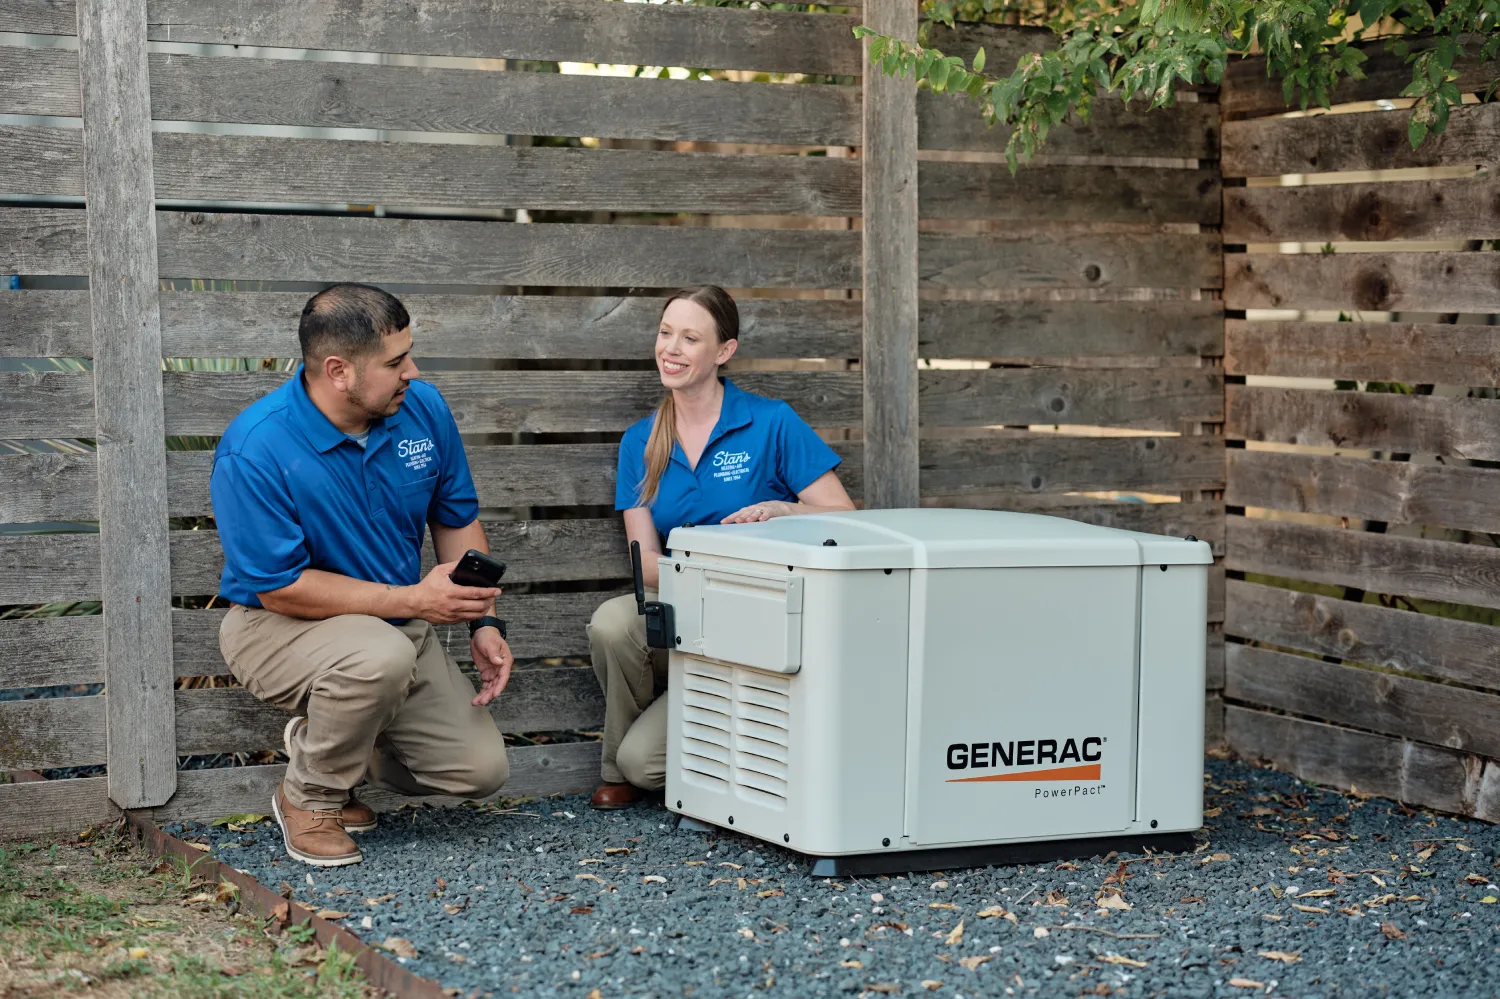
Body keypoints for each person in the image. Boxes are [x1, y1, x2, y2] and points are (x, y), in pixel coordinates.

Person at [211, 283, 514, 867]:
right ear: (338, 371)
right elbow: (280, 586)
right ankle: (310, 798)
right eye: (396, 362)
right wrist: (414, 600)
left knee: (479, 772)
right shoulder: (256, 447)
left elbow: (457, 521)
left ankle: (334, 743)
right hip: (276, 627)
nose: (413, 371)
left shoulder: (424, 410)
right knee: (378, 658)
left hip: (398, 625)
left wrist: (485, 621)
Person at [588, 286, 856, 809]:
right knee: (613, 623)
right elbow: (643, 562)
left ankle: (717, 739)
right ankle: (615, 763)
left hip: (759, 623)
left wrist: (785, 510)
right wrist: (706, 592)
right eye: (666, 333)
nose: (672, 348)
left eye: (690, 338)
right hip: (683, 614)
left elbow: (845, 516)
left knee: (648, 765)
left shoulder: (771, 421)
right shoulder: (640, 441)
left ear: (724, 352)